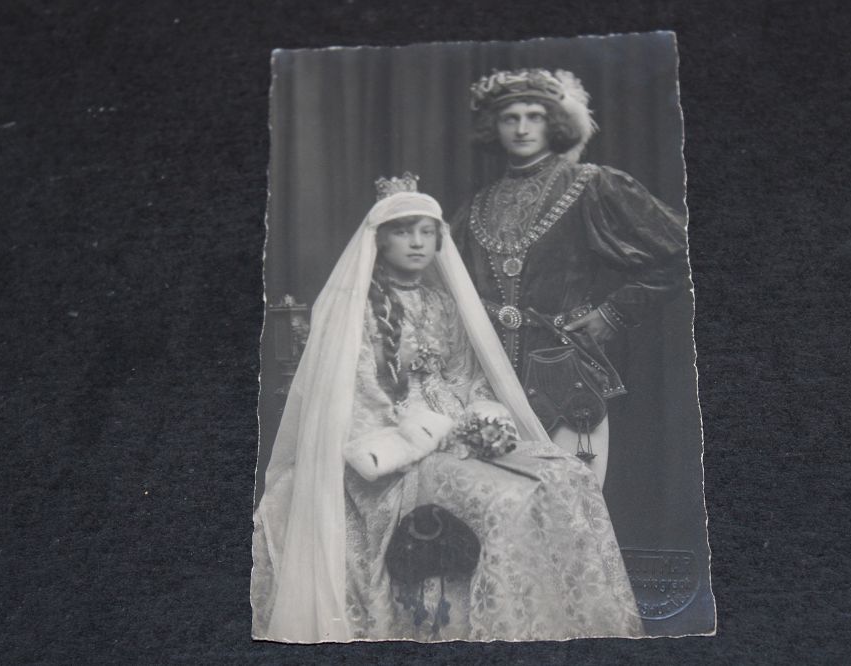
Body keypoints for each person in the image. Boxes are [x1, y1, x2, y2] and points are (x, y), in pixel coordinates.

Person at [251, 175, 643, 642]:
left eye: (426, 232)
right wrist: (428, 431)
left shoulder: (443, 305)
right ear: (380, 240)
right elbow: (355, 396)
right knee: (505, 499)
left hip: (458, 432)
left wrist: (481, 420)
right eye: (403, 232)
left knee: (569, 476)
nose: (417, 243)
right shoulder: (352, 309)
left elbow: (469, 377)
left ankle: (567, 629)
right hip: (393, 445)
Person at [450, 69, 689, 485]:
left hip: (565, 373)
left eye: (535, 116)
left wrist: (613, 313)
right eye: (509, 118)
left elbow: (679, 254)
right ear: (494, 126)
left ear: (556, 123)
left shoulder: (591, 184)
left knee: (571, 500)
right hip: (486, 379)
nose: (522, 128)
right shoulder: (476, 205)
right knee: (499, 505)